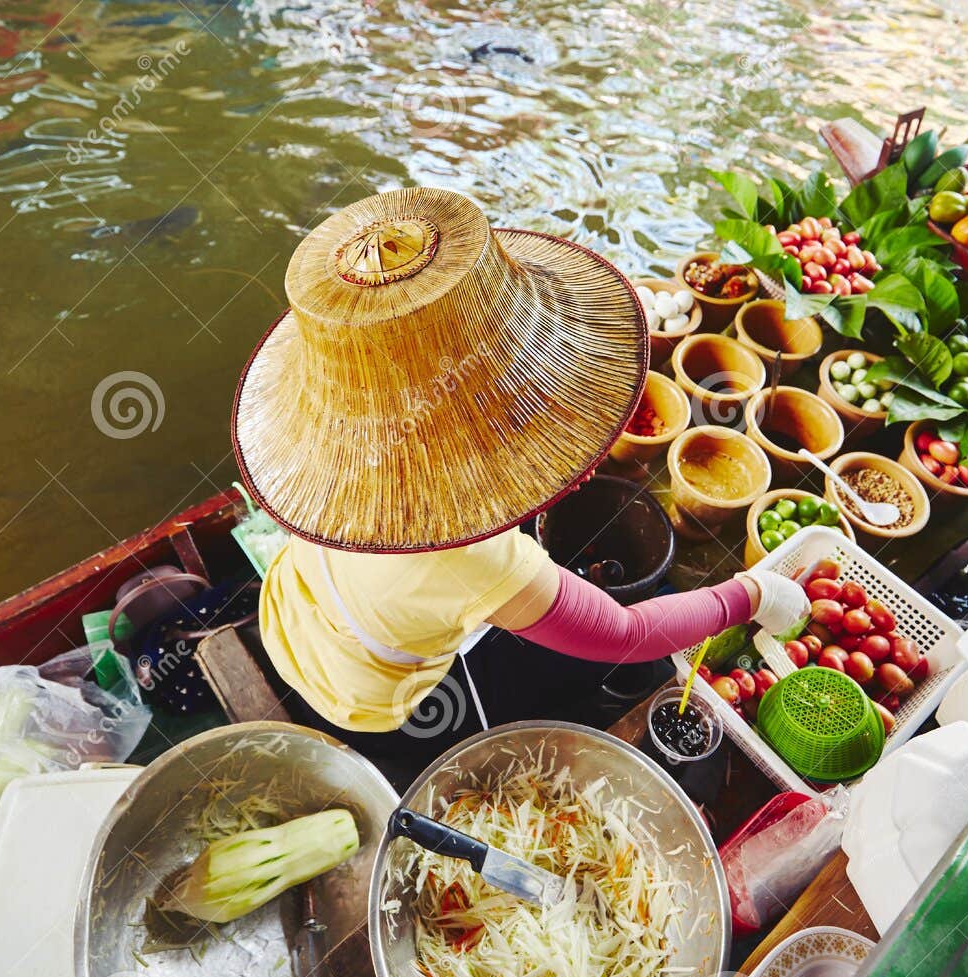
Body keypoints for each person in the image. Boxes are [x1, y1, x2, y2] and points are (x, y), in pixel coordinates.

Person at [231, 188, 805, 749]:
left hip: (289, 607)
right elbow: (625, 635)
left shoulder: (340, 450)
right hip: (364, 694)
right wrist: (751, 594)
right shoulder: (471, 558)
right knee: (576, 670)